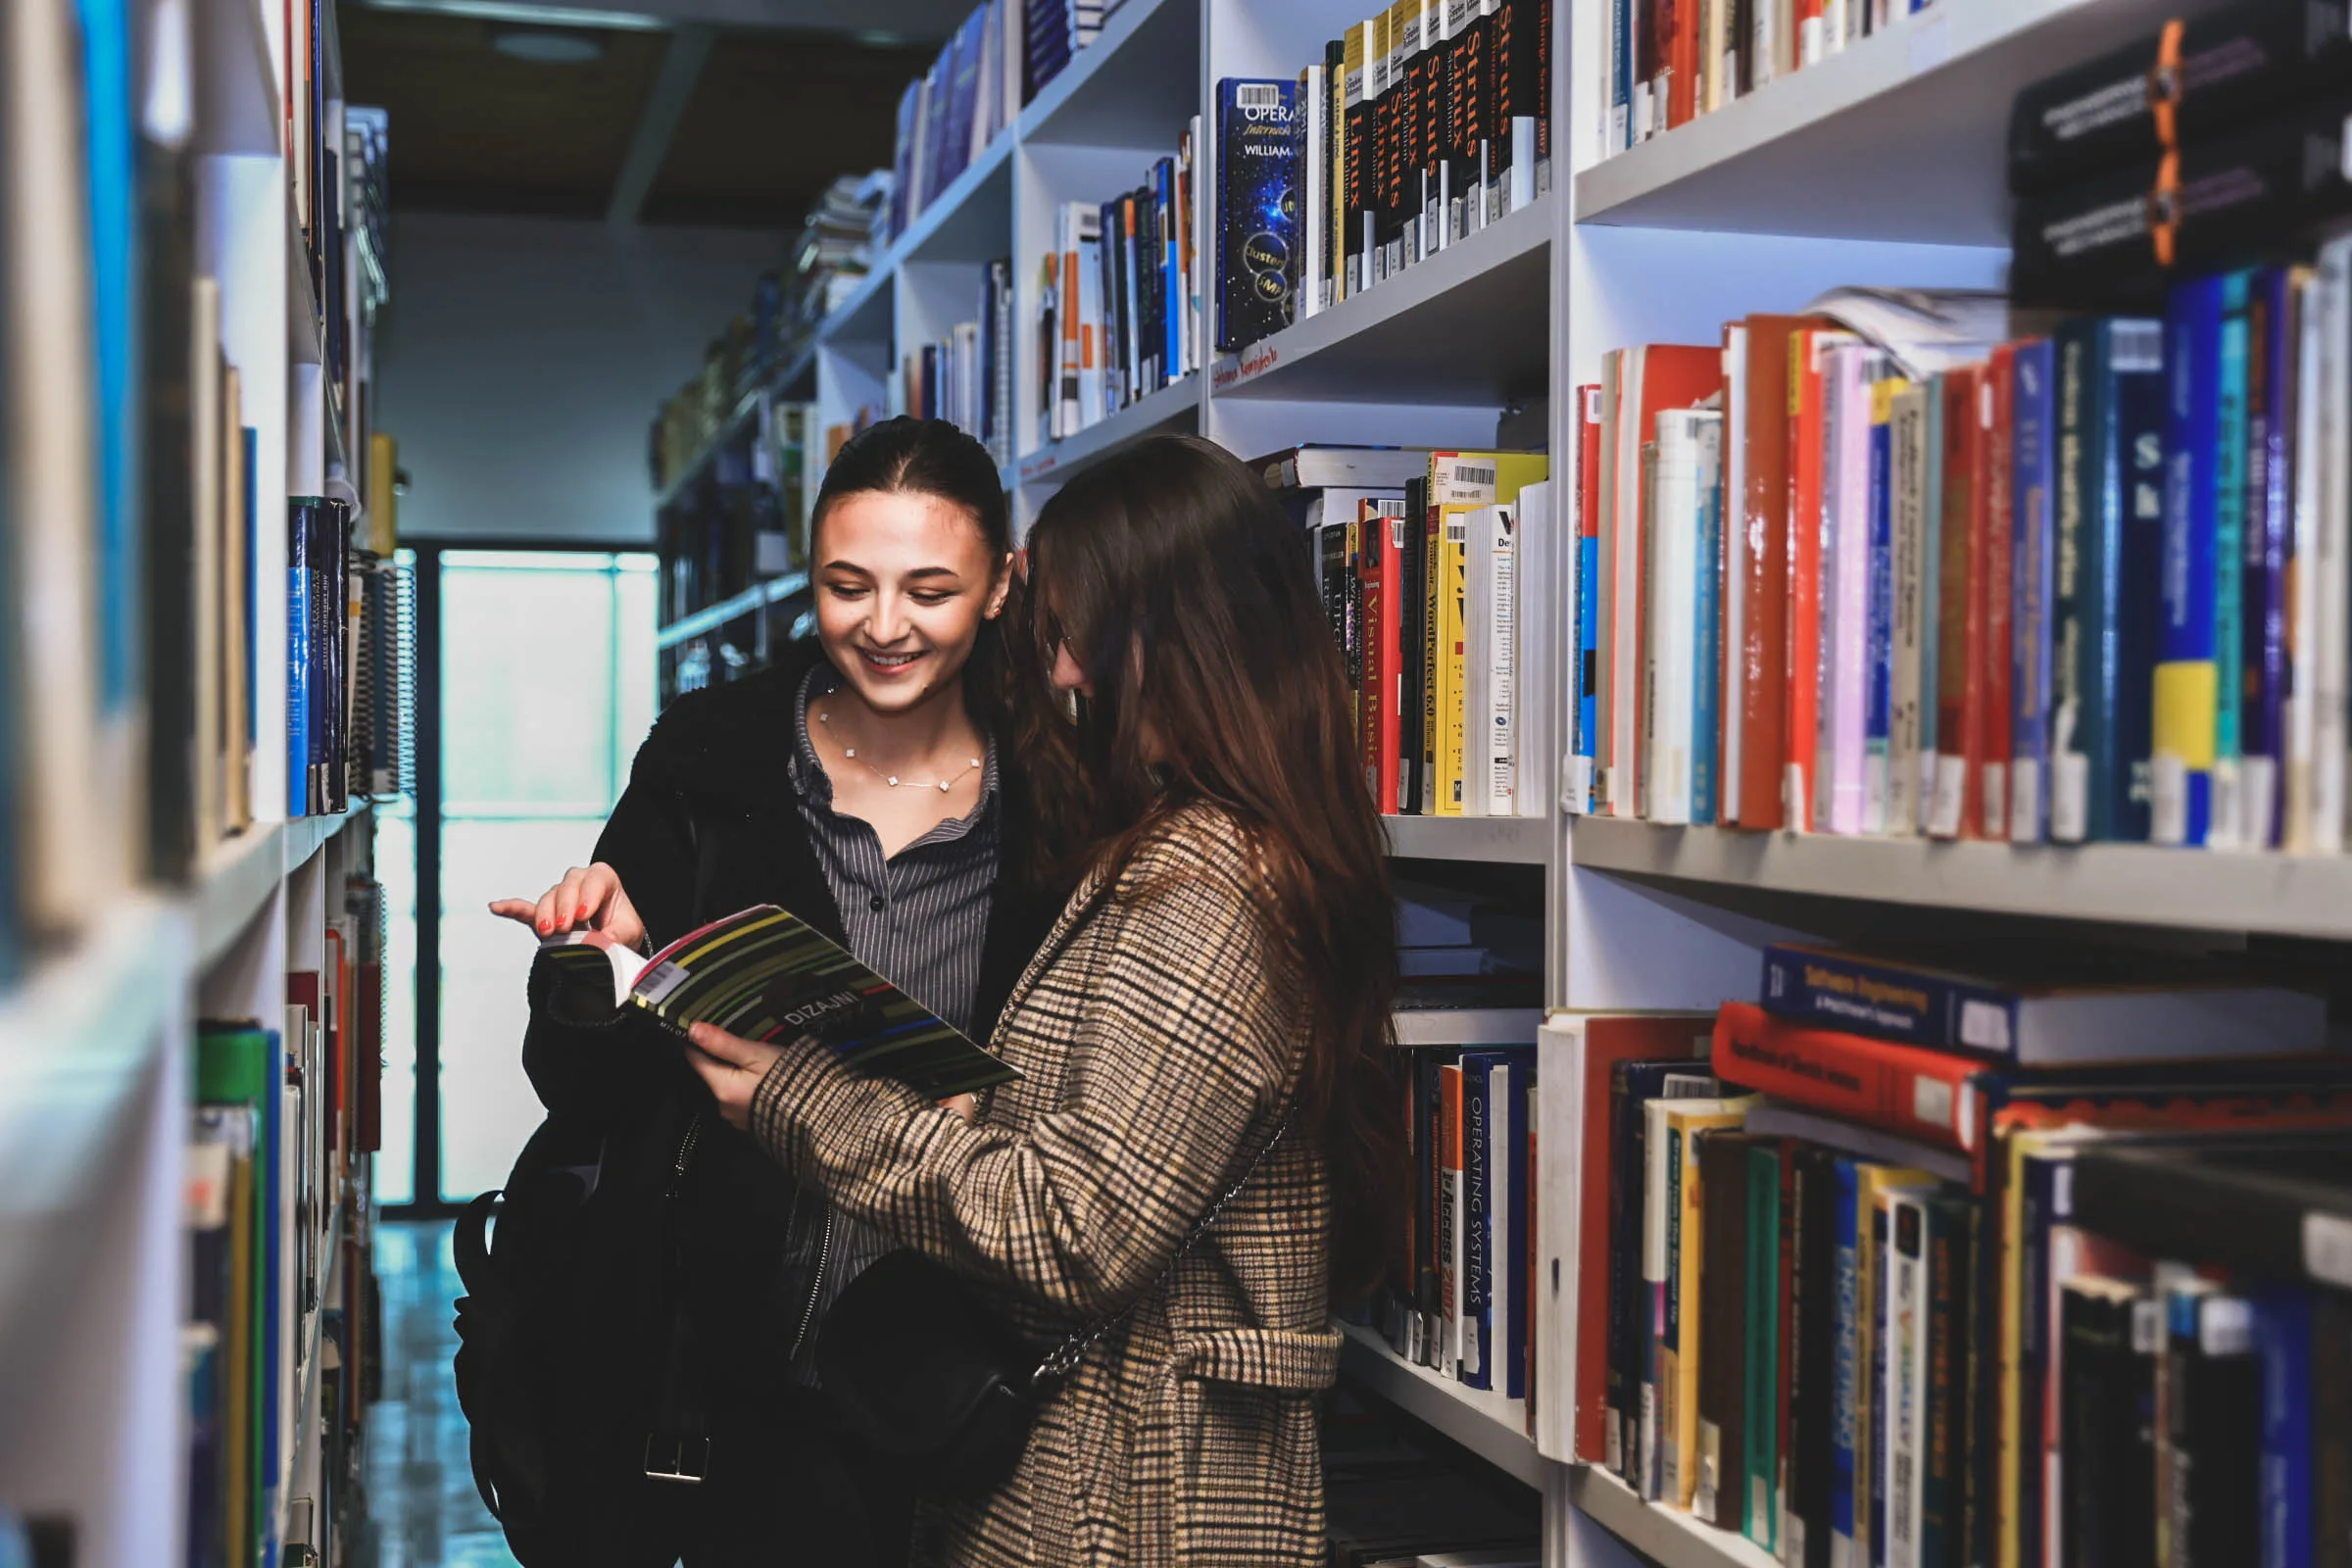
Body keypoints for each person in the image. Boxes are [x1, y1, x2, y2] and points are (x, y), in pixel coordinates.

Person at [679, 434, 1407, 1568]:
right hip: (1115, 1472)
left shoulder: (1210, 885)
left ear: (1177, 639)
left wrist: (802, 1100)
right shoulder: (1203, 848)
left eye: (1079, 632)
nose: (1062, 673)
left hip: (1138, 1499)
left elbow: (1079, 1227)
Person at [487, 416, 1058, 1566]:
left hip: (977, 1382)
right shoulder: (706, 767)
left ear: (1004, 584)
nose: (884, 626)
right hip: (727, 1380)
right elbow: (578, 1089)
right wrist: (597, 968)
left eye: (930, 589)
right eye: (847, 586)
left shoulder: (1064, 797)